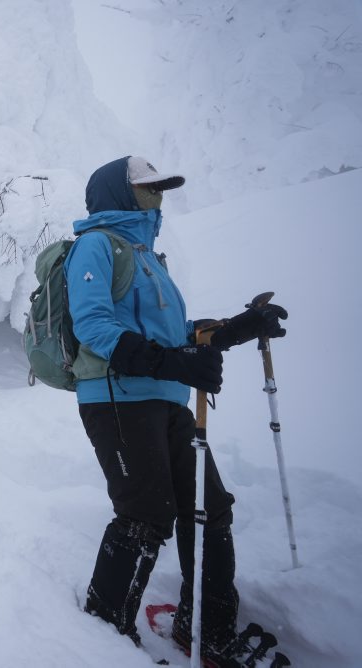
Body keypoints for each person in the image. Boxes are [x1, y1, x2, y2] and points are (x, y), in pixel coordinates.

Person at [64, 156, 288, 662]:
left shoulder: (147, 257)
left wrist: (239, 327)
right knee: (145, 513)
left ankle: (206, 628)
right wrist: (172, 361)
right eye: (148, 188)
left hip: (165, 400)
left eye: (161, 187)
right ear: (119, 194)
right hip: (118, 398)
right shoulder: (95, 246)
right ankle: (104, 634)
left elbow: (173, 339)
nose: (158, 195)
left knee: (209, 510)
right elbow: (93, 327)